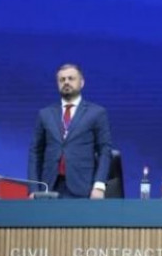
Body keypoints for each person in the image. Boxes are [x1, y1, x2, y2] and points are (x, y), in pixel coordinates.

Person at [28, 63, 112, 199]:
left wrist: (99, 186)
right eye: (62, 79)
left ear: (82, 83)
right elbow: (35, 152)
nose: (66, 82)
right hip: (49, 188)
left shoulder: (97, 113)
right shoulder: (45, 114)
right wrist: (33, 188)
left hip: (83, 188)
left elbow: (104, 151)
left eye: (71, 78)